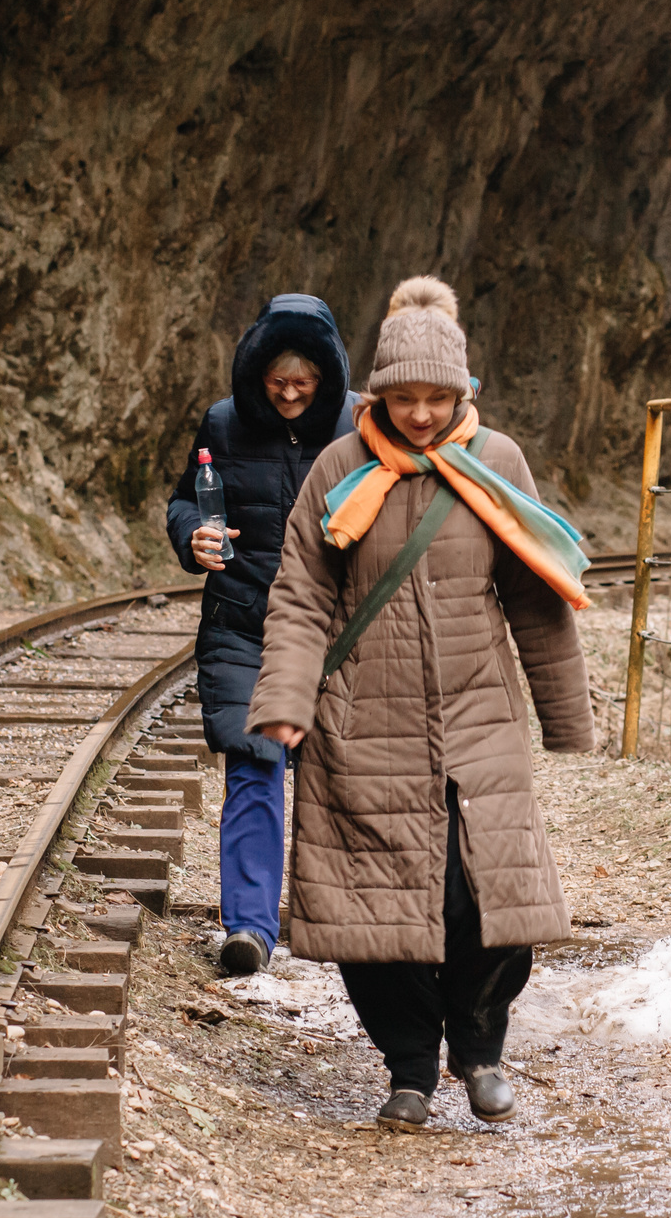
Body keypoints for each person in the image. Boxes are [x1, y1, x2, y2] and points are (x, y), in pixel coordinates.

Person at [249, 276, 594, 1129]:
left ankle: (478, 1051)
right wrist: (287, 700)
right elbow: (299, 598)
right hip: (364, 723)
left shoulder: (499, 464)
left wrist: (566, 718)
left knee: (487, 900)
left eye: (438, 399)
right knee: (378, 910)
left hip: (480, 717)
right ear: (374, 393)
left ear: (464, 392)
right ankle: (408, 1065)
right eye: (403, 399)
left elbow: (537, 599)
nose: (421, 417)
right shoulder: (339, 467)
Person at [167, 295, 356, 977]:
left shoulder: (362, 425)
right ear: (256, 370)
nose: (289, 388)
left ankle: (338, 919)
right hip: (246, 623)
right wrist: (193, 535)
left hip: (342, 629)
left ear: (326, 374)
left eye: (303, 376)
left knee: (343, 778)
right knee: (254, 764)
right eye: (278, 375)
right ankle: (248, 926)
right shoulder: (223, 420)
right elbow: (186, 498)